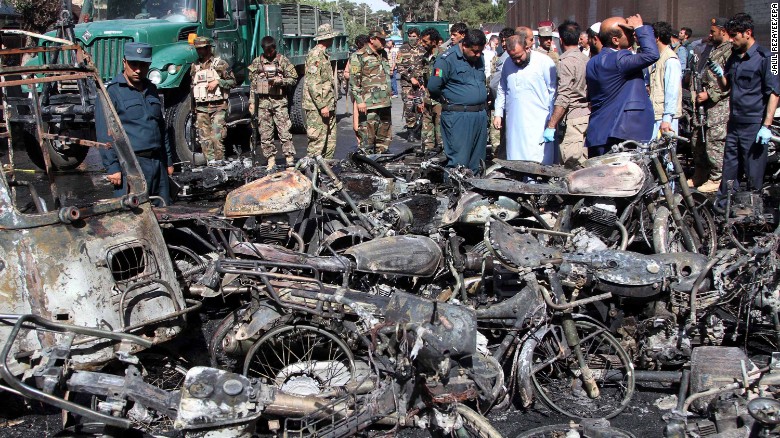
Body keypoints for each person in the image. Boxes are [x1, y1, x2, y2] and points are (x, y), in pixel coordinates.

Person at [707, 13, 780, 195]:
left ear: (747, 33)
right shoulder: (734, 57)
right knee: (729, 172)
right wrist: (719, 75)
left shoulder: (768, 57)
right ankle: (724, 210)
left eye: (735, 35)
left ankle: (755, 214)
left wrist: (766, 125)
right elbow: (726, 88)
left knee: (753, 173)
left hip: (754, 125)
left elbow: (775, 92)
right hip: (734, 123)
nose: (731, 40)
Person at [95, 42, 173, 205]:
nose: (138, 70)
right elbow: (104, 133)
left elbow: (161, 128)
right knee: (135, 214)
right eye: (133, 64)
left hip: (157, 163)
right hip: (132, 165)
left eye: (143, 65)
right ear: (124, 62)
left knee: (163, 211)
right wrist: (112, 167)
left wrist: (169, 162)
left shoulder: (151, 89)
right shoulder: (111, 92)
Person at [585, 14, 659, 157]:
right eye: (629, 32)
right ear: (615, 40)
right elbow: (652, 54)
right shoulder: (619, 59)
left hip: (599, 133)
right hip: (619, 135)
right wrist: (639, 27)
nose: (632, 35)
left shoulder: (593, 61)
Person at [428, 29, 488, 173]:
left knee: (478, 161)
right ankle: (454, 193)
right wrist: (449, 100)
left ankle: (475, 194)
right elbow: (434, 87)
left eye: (480, 51)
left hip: (479, 114)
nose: (478, 55)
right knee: (458, 161)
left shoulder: (479, 58)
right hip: (458, 116)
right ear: (464, 45)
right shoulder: (446, 60)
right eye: (474, 51)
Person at [494, 34, 557, 164]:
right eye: (513, 58)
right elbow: (502, 89)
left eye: (519, 57)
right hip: (514, 124)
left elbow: (553, 92)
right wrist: (498, 113)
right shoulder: (507, 63)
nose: (516, 61)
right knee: (516, 163)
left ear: (527, 48)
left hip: (538, 123)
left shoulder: (544, 62)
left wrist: (551, 121)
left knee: (537, 163)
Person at [689, 17, 731, 192]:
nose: (710, 34)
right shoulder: (712, 49)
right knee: (697, 139)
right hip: (703, 105)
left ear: (723, 31)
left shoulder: (729, 51)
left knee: (714, 141)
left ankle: (716, 178)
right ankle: (700, 173)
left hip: (719, 105)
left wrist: (710, 94)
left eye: (713, 31)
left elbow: (729, 82)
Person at [248, 36, 298, 170]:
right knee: (265, 132)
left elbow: (293, 78)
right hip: (263, 102)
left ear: (275, 48)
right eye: (266, 51)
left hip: (279, 101)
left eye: (271, 51)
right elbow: (252, 85)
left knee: (284, 131)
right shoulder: (257, 62)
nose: (269, 54)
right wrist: (252, 102)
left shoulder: (282, 61)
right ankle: (270, 160)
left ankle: (289, 159)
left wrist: (280, 80)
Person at [546, 20, 590, 168]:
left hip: (572, 118)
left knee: (572, 166)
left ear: (561, 40)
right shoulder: (585, 59)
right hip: (585, 115)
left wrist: (551, 125)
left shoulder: (565, 62)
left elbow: (564, 96)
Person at [190, 36, 235, 163]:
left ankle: (220, 163)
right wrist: (193, 108)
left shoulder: (220, 64)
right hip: (201, 107)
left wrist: (218, 82)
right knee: (205, 139)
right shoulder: (195, 66)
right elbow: (193, 87)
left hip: (218, 107)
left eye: (203, 48)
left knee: (217, 137)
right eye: (198, 49)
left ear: (209, 48)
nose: (200, 51)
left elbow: (233, 82)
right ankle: (211, 164)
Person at [350, 28, 393, 153]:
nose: (384, 42)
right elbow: (354, 81)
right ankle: (367, 165)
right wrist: (359, 101)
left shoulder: (383, 54)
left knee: (384, 138)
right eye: (381, 40)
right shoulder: (359, 56)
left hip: (384, 102)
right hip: (369, 104)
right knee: (367, 138)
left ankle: (382, 162)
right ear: (372, 39)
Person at [304, 23, 340, 158]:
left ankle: (325, 169)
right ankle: (312, 172)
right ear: (328, 38)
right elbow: (313, 83)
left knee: (330, 140)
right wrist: (322, 105)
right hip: (318, 107)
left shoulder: (324, 55)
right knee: (317, 141)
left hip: (328, 104)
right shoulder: (315, 55)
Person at [488, 27, 520, 157]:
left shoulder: (507, 57)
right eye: (502, 41)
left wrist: (499, 103)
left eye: (506, 41)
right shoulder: (503, 57)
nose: (504, 44)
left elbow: (495, 84)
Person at [649, 21, 682, 138]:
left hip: (664, 118)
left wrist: (667, 118)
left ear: (657, 38)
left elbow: (672, 91)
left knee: (664, 154)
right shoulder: (657, 57)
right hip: (656, 114)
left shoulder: (671, 60)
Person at [396, 27, 427, 141]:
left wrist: (423, 82)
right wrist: (410, 78)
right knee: (409, 108)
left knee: (421, 107)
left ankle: (420, 129)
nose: (412, 38)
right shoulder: (403, 49)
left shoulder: (423, 49)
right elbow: (399, 67)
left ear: (418, 37)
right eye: (410, 36)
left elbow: (426, 67)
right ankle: (411, 131)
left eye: (414, 36)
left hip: (421, 84)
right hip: (407, 84)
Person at [420, 27, 444, 152]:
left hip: (440, 100)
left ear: (434, 42)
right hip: (428, 100)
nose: (422, 44)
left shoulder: (443, 56)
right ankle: (428, 155)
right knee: (427, 133)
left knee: (440, 133)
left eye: (425, 42)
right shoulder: (425, 57)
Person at [346, 34, 370, 144]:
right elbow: (347, 73)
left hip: (370, 93)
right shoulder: (355, 56)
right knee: (358, 118)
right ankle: (360, 141)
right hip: (358, 92)